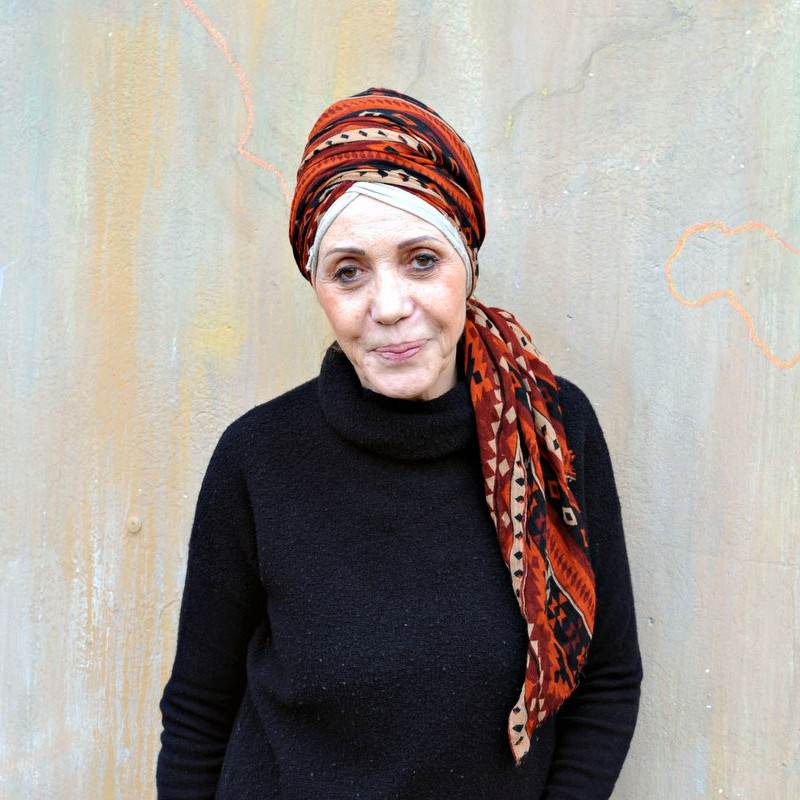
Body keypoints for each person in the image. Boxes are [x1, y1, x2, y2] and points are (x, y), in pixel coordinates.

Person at [156, 87, 643, 800]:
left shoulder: (552, 432)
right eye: (348, 271)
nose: (387, 307)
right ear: (317, 285)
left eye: (421, 260)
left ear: (466, 262)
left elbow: (606, 679)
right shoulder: (257, 459)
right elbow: (200, 709)